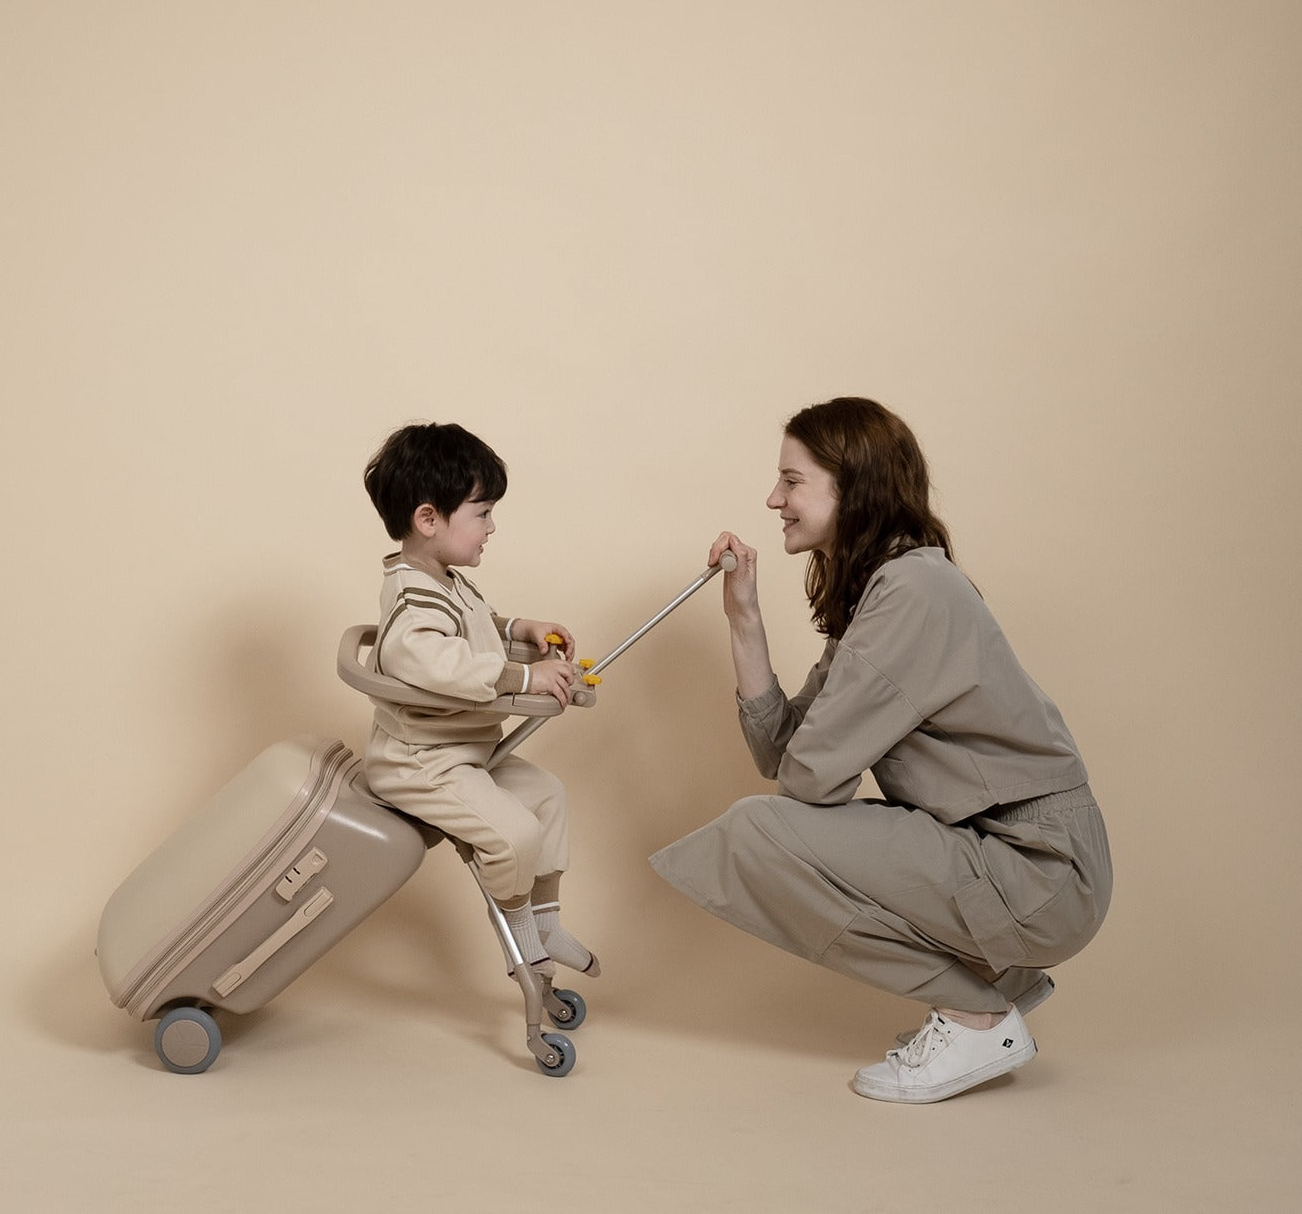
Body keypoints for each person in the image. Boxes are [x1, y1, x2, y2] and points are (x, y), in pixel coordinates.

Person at [649, 397, 1110, 1103]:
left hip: (1038, 867)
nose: (775, 499)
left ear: (851, 487)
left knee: (755, 834)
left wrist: (813, 769)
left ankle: (978, 1013)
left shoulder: (914, 592)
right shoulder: (884, 590)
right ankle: (986, 997)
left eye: (792, 481)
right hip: (1003, 852)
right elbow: (780, 751)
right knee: (760, 832)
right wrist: (743, 611)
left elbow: (805, 783)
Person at [361, 422, 599, 980]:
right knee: (514, 835)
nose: (492, 527)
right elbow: (435, 662)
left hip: (464, 750)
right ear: (428, 519)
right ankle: (523, 947)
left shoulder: (444, 578)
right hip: (421, 761)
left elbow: (475, 627)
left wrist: (520, 626)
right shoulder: (412, 598)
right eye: (482, 512)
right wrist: (525, 677)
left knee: (547, 798)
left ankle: (545, 921)